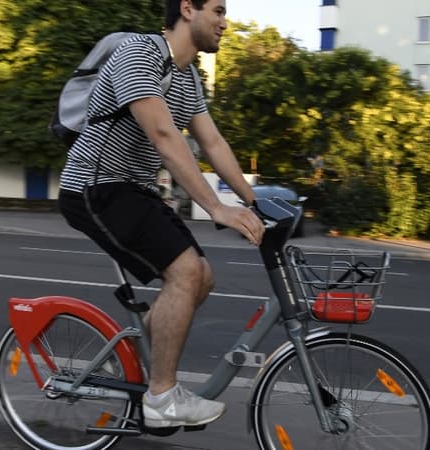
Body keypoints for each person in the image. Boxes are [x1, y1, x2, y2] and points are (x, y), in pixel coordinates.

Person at [58, 0, 264, 429]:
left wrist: (256, 201)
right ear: (187, 8)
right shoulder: (138, 52)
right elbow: (164, 136)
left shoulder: (188, 77)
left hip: (135, 190)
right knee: (185, 273)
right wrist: (216, 209)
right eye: (219, 11)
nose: (226, 24)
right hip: (96, 187)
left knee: (201, 277)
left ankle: (135, 363)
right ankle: (162, 398)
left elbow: (213, 143)